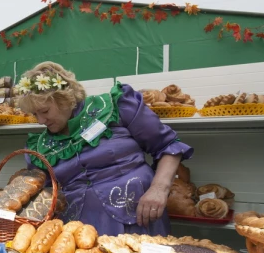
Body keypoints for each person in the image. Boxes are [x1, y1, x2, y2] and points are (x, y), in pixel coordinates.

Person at [16, 62, 193, 236]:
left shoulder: (114, 107)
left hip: (139, 222)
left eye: (45, 111)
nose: (40, 121)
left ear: (63, 99)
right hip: (81, 234)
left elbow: (168, 146)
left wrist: (159, 189)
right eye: (34, 114)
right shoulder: (39, 147)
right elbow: (46, 196)